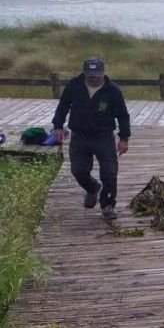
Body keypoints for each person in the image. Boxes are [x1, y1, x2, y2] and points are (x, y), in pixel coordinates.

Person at [50, 56, 130, 220]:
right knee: (78, 170)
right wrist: (57, 125)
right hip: (80, 136)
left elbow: (123, 116)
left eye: (97, 76)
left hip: (104, 137)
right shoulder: (74, 85)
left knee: (109, 171)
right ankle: (93, 188)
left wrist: (124, 138)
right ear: (84, 73)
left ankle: (107, 205)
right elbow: (63, 105)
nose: (94, 79)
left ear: (103, 73)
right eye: (90, 76)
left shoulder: (113, 91)